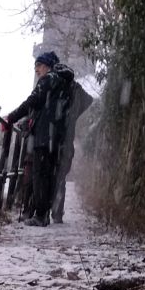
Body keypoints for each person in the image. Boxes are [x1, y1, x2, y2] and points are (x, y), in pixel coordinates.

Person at [3, 51, 73, 227]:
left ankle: (40, 215)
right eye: (35, 66)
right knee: (49, 175)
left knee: (40, 175)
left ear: (48, 66)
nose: (36, 69)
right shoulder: (64, 83)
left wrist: (11, 117)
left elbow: (32, 101)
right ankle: (43, 213)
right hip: (56, 136)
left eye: (39, 65)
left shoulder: (49, 79)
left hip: (44, 136)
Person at [51, 81, 93, 223]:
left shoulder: (62, 101)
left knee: (55, 177)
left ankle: (50, 211)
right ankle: (56, 212)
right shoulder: (70, 106)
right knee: (58, 177)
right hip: (63, 144)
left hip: (56, 143)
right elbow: (88, 100)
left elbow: (88, 99)